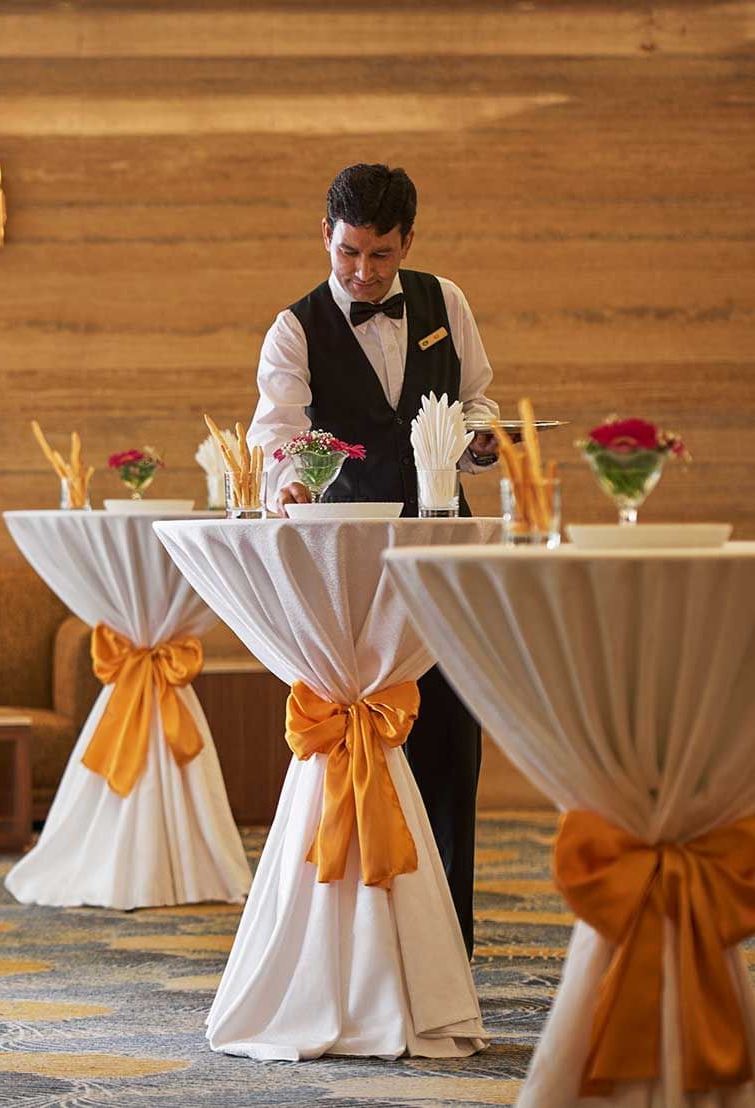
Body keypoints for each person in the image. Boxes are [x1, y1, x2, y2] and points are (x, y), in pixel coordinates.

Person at [245, 162, 497, 956]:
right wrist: (287, 482)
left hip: (442, 549)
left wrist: (482, 440)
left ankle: (444, 944)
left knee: (451, 741)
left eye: (380, 256)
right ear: (326, 235)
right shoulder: (294, 327)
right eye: (349, 252)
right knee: (365, 740)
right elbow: (276, 431)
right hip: (351, 559)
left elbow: (479, 396)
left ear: (407, 243)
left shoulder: (445, 301)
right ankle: (356, 943)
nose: (362, 271)